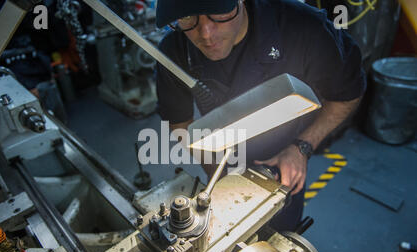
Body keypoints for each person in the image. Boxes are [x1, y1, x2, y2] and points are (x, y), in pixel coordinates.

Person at [155, 0, 366, 233]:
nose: (205, 34)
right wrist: (217, 174)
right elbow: (180, 123)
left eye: (218, 12)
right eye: (188, 17)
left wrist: (302, 148)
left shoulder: (305, 28)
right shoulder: (174, 50)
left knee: (280, 235)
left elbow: (346, 96)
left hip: (284, 156)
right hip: (224, 154)